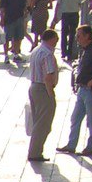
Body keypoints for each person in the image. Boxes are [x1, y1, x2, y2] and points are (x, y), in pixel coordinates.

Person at [55, 25, 92, 156]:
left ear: (87, 36)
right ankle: (71, 145)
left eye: (79, 35)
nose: (77, 38)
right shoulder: (84, 49)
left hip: (90, 90)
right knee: (75, 117)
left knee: (91, 120)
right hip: (82, 89)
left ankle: (90, 147)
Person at [26, 29, 60, 162]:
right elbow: (48, 76)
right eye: (56, 40)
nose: (56, 43)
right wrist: (51, 94)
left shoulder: (36, 50)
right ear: (51, 39)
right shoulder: (48, 54)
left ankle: (34, 151)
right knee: (43, 123)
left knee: (38, 121)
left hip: (33, 86)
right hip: (42, 89)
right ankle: (35, 152)